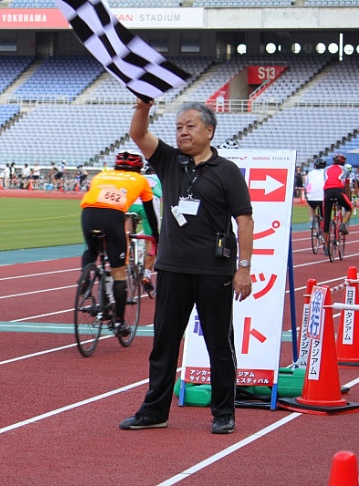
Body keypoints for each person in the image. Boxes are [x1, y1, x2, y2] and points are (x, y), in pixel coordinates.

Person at [120, 99, 253, 435]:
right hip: (173, 268)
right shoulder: (168, 161)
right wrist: (143, 106)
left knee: (219, 345)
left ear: (209, 131)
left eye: (190, 126)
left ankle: (223, 412)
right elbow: (138, 133)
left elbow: (245, 221)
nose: (183, 132)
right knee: (163, 343)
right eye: (179, 127)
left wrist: (244, 268)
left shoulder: (227, 172)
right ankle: (154, 411)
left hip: (215, 270)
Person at [79, 150, 159, 339]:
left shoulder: (101, 175)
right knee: (118, 273)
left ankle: (85, 278)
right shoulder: (141, 180)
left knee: (92, 249)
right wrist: (156, 236)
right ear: (139, 168)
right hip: (113, 217)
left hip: (88, 214)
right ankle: (119, 321)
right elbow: (150, 212)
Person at [126, 161, 162, 295]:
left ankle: (129, 259)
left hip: (132, 204)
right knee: (151, 241)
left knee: (127, 236)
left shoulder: (140, 178)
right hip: (149, 205)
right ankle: (146, 275)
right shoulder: (162, 178)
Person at [322, 153, 353, 256]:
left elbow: (326, 181)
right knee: (349, 208)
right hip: (339, 191)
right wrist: (348, 198)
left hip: (327, 192)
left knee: (326, 221)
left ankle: (326, 247)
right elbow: (347, 186)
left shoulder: (326, 169)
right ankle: (343, 224)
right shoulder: (345, 170)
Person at [305, 158, 326, 230]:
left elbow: (307, 185)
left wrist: (307, 194)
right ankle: (324, 223)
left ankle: (312, 220)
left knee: (311, 205)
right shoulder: (326, 173)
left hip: (311, 198)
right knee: (325, 211)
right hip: (323, 198)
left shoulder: (310, 173)